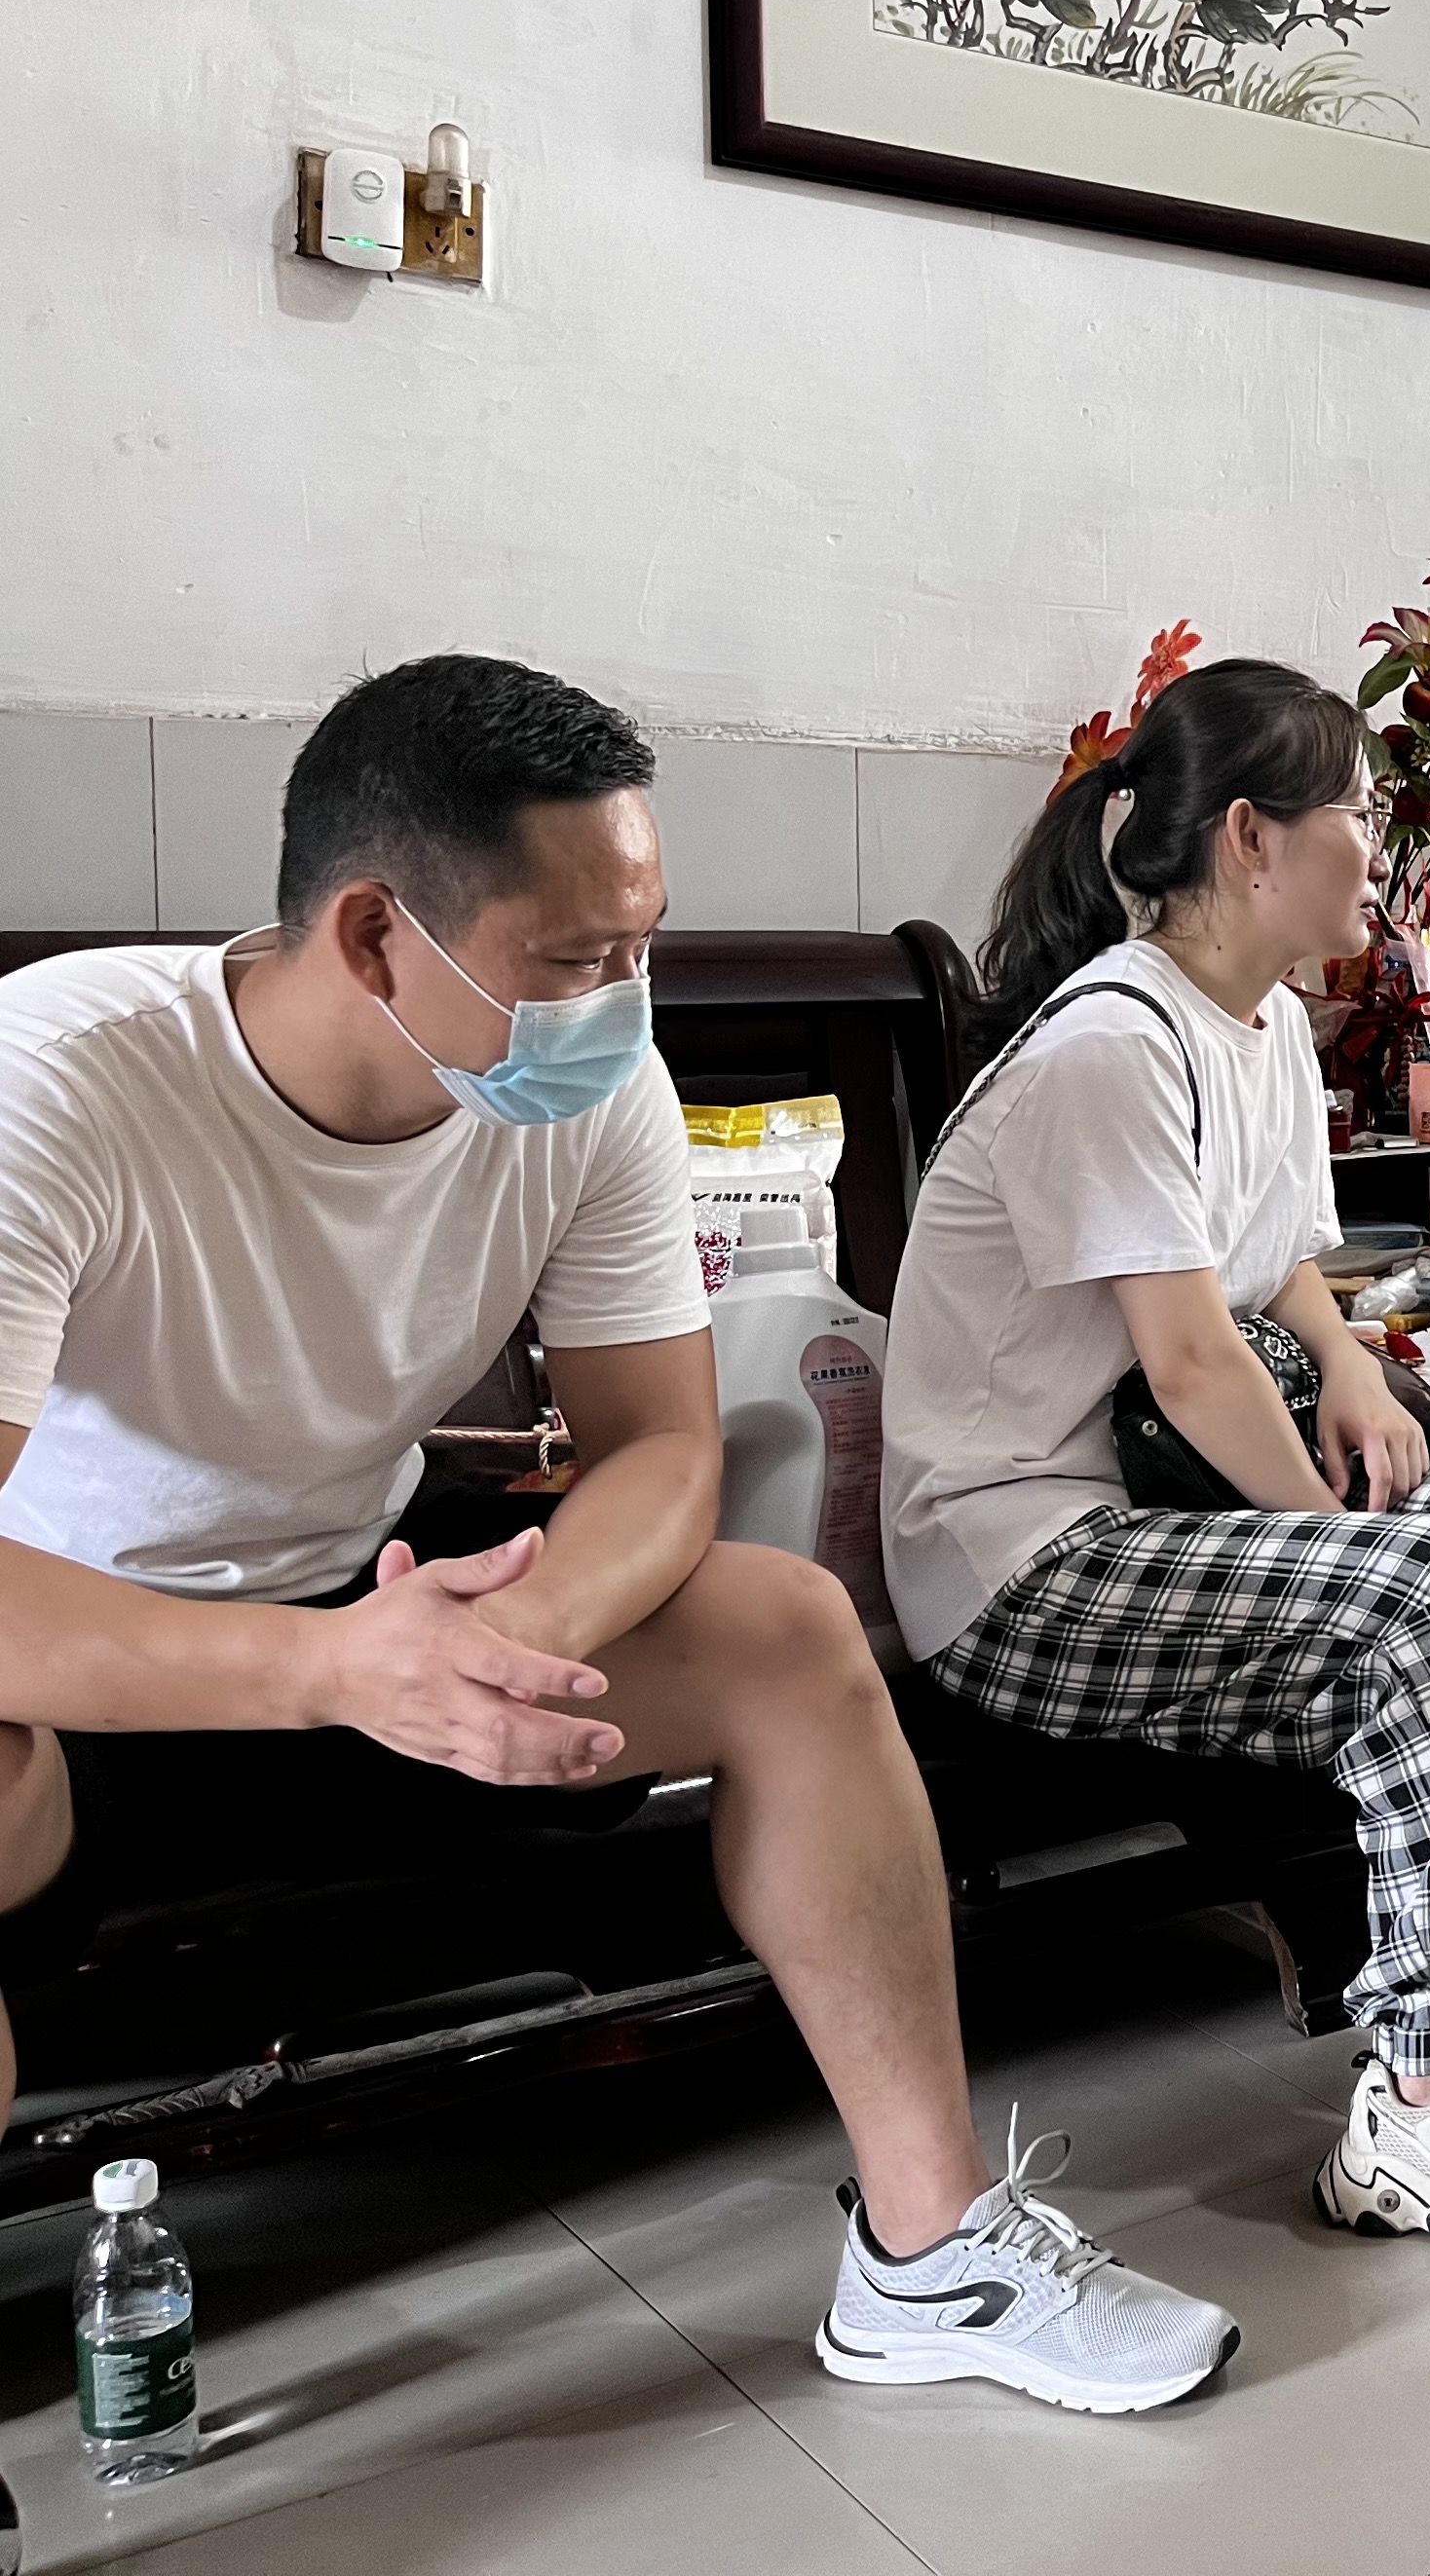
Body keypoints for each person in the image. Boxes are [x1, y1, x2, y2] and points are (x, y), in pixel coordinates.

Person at [0, 656, 1232, 2415]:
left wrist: (514, 1633)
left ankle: (933, 2248)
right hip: (99, 1650)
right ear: (374, 936)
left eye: (641, 943)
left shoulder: (586, 1093)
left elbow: (658, 1445)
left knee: (782, 1630)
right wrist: (337, 1669)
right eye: (578, 958)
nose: (622, 998)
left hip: (400, 1594)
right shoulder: (62, 1078)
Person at [882, 655, 1430, 2265]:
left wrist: (1348, 1362)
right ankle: (1426, 2092)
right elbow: (1188, 1357)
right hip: (1015, 1561)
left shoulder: (1264, 1019)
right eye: (1354, 809)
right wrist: (1351, 1541)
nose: (1378, 845)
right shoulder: (1109, 1043)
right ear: (1251, 839)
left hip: (1154, 1513)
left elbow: (1276, 1262)